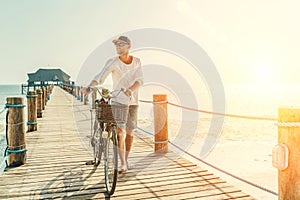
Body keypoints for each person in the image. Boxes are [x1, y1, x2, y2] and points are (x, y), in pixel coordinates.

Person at [83, 36, 143, 173]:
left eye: (121, 44)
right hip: (118, 101)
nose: (118, 47)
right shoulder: (113, 62)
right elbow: (100, 77)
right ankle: (122, 163)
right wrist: (88, 87)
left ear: (128, 46)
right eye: (116, 45)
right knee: (120, 131)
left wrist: (130, 90)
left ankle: (126, 160)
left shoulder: (137, 62)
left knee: (130, 132)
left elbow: (140, 80)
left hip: (133, 101)